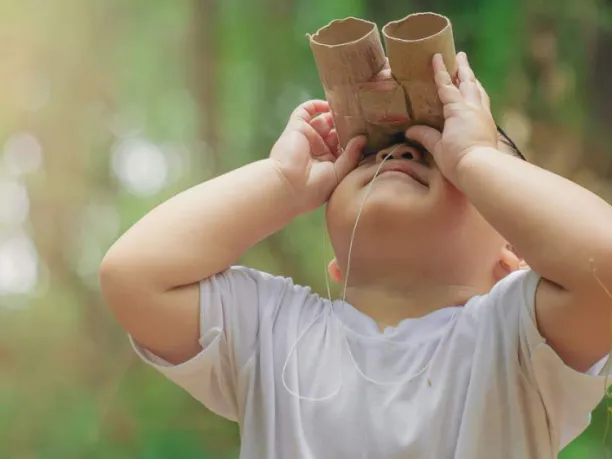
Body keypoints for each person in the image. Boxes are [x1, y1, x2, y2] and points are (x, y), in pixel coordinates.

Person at [99, 52, 612, 458]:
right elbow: (133, 276)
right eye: (369, 152)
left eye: (443, 151)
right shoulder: (276, 330)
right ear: (338, 268)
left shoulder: (518, 339)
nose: (402, 151)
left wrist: (474, 156)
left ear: (513, 259)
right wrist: (279, 184)